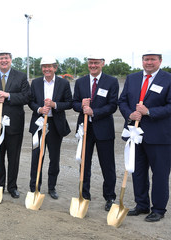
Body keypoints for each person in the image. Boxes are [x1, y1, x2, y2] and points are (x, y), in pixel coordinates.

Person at [118, 51, 171, 222]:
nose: (149, 62)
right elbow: (122, 101)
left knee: (160, 174)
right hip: (135, 134)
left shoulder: (168, 79)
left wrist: (149, 112)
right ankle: (141, 205)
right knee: (138, 172)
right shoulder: (132, 78)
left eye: (152, 59)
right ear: (142, 61)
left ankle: (158, 209)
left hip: (159, 136)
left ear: (160, 61)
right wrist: (130, 114)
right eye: (146, 59)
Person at [0, 50, 30, 198]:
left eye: (6, 58)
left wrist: (8, 96)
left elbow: (27, 96)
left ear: (10, 60)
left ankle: (12, 186)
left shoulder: (20, 76)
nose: (4, 61)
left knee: (13, 158)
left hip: (14, 124)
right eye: (1, 58)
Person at [72, 55, 118, 211]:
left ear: (102, 63)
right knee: (84, 165)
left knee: (107, 165)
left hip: (104, 129)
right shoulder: (80, 82)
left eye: (96, 63)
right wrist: (81, 106)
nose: (93, 65)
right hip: (85, 130)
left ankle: (110, 197)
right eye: (90, 63)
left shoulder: (111, 81)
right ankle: (84, 195)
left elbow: (112, 106)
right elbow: (74, 103)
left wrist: (94, 112)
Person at [28, 57, 72, 199]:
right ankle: (34, 186)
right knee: (36, 157)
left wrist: (54, 105)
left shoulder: (63, 83)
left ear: (55, 68)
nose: (47, 69)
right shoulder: (35, 83)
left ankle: (52, 187)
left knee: (54, 158)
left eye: (50, 67)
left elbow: (69, 103)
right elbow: (30, 101)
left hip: (55, 125)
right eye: (44, 67)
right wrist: (40, 109)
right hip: (39, 124)